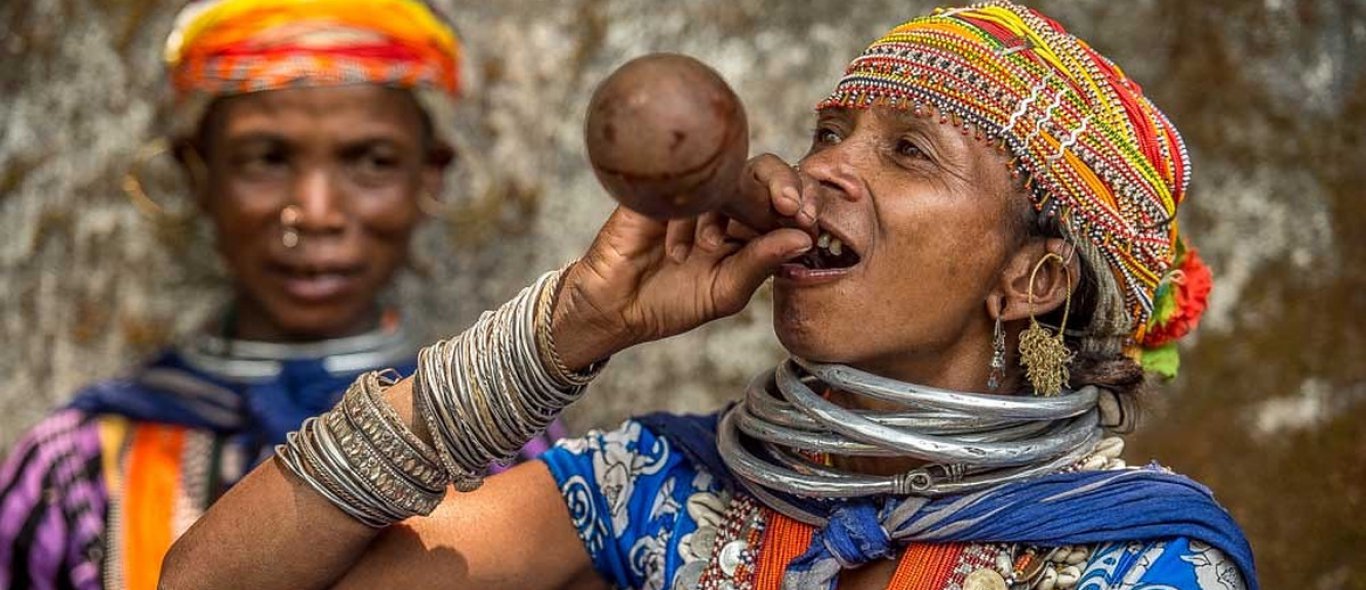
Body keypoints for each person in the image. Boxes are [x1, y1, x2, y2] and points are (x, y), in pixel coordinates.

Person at [161, 2, 1254, 589]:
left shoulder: (1141, 563)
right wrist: (566, 329)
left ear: (1034, 278)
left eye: (908, 153)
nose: (826, 168)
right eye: (830, 133)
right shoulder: (658, 491)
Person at [0, 1, 564, 589]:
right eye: (266, 160)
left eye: (371, 162)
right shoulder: (77, 468)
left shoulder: (509, 454)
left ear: (430, 176)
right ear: (198, 175)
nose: (313, 213)